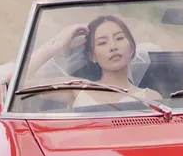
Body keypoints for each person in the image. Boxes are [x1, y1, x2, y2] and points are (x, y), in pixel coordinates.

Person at [27, 14, 161, 103]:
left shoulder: (151, 98)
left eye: (119, 38)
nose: (113, 47)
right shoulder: (78, 88)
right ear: (92, 56)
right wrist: (57, 45)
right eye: (102, 42)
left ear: (131, 47)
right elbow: (21, 82)